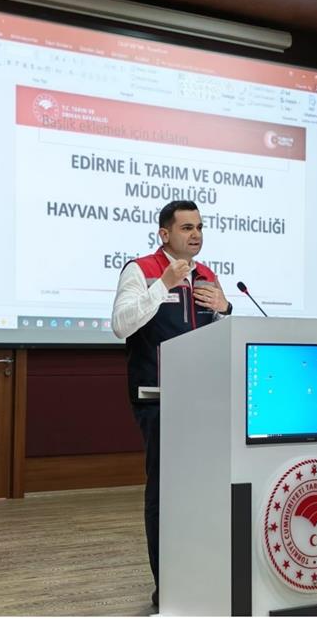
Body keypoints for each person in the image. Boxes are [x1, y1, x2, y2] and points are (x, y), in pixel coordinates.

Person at [111, 200, 231, 608]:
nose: (196, 235)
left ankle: (202, 577)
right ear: (164, 234)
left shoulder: (208, 275)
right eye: (186, 228)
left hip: (206, 402)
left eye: (199, 227)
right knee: (166, 492)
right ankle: (169, 587)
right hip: (158, 398)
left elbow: (221, 336)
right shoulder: (141, 270)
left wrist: (225, 310)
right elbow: (121, 325)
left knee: (205, 490)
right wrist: (163, 284)